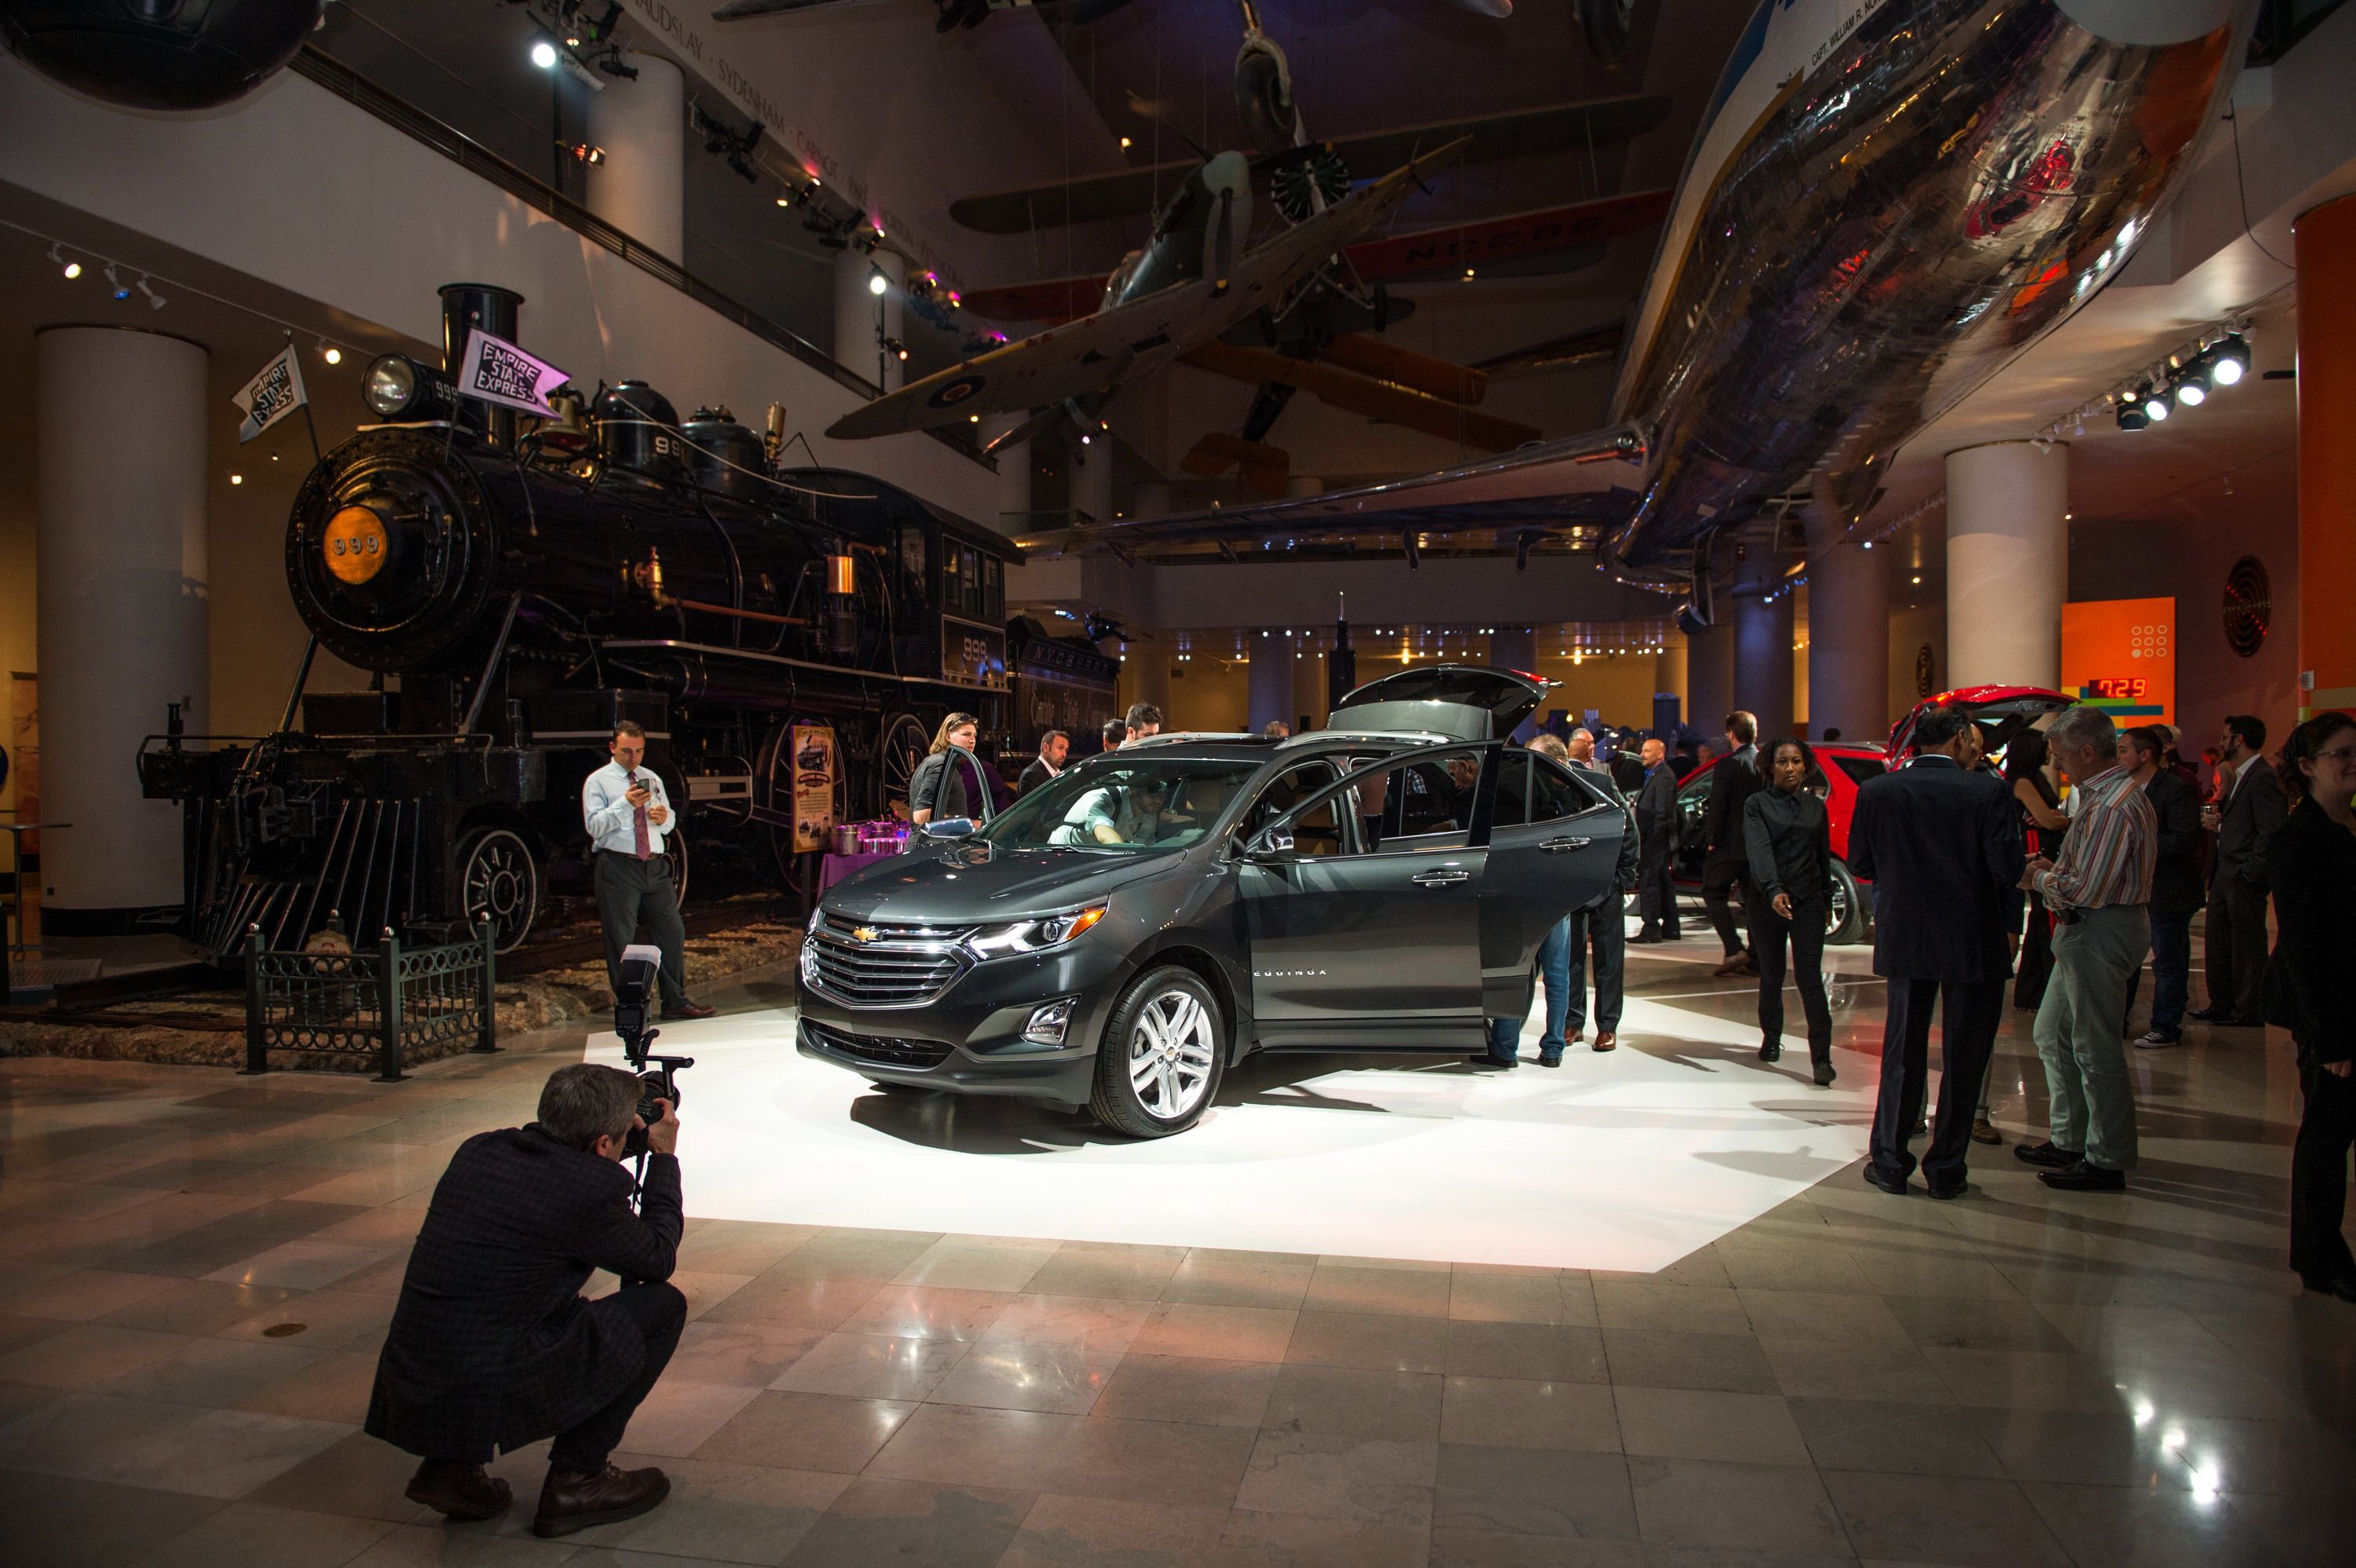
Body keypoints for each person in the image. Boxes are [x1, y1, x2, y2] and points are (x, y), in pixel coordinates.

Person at [367, 1064, 685, 1539]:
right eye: (622, 1137)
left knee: (495, 1308)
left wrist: (615, 1147)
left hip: (416, 1366)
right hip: (490, 1372)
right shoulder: (587, 1189)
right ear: (603, 1145)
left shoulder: (480, 1149)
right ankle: (579, 1478)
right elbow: (655, 1259)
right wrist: (661, 1158)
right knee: (662, 1307)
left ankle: (450, 1467)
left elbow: (546, 1195)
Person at [1848, 704, 2024, 1198]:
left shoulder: (1877, 791)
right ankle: (1946, 1169)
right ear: (1955, 741)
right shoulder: (1989, 790)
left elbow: (1862, 862)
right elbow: (2005, 868)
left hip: (1907, 934)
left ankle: (1889, 1162)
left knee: (1902, 1052)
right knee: (1965, 1055)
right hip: (1973, 935)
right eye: (1972, 738)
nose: (1977, 746)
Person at [2017, 704, 2157, 1193]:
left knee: (2094, 1047)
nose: (2058, 766)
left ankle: (2107, 1157)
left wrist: (2040, 876)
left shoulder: (2113, 805)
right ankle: (2071, 1139)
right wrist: (2054, 872)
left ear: (2088, 751)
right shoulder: (2103, 798)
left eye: (2061, 756)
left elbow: (2086, 890)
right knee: (2052, 1032)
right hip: (2088, 928)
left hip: (2101, 927)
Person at [2267, 713, 2356, 1303]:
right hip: (2332, 1007)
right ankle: (2319, 1255)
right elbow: (2302, 944)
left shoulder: (2347, 825)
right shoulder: (2299, 837)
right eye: (2340, 754)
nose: (2351, 763)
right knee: (2326, 1135)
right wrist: (2330, 1039)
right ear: (2308, 765)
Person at [581, 723, 713, 1022]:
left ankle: (674, 1000)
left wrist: (665, 818)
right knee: (622, 941)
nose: (633, 757)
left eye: (639, 751)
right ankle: (632, 1007)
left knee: (671, 931)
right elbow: (594, 827)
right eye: (627, 751)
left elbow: (669, 823)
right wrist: (625, 804)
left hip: (654, 866)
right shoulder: (598, 781)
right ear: (613, 747)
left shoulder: (650, 777)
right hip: (619, 865)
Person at [1477, 735, 1577, 1069]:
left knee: (1515, 971)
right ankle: (1553, 1049)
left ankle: (1505, 1049)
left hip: (1520, 895)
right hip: (1557, 894)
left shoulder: (1511, 794)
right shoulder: (1573, 798)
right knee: (1557, 975)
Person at [1743, 738, 1837, 1085]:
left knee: (1810, 977)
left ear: (1805, 765)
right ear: (1770, 767)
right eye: (1782, 762)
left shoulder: (1816, 807)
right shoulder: (1757, 805)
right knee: (1771, 974)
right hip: (1767, 901)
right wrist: (1773, 889)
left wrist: (1826, 899)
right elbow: (1759, 849)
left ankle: (1822, 1059)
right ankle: (1771, 1037)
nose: (1790, 768)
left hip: (1808, 900)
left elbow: (1822, 856)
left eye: (1796, 761)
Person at [2193, 714, 2284, 1027]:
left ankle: (2247, 1008)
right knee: (2220, 941)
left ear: (2239, 739)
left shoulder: (2261, 776)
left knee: (2245, 944)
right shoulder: (2244, 775)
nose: (2221, 741)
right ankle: (2223, 1003)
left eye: (2225, 736)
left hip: (2240, 874)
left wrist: (2251, 872)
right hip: (2227, 871)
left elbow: (2270, 831)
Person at [2119, 726, 2202, 1047]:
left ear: (2145, 754)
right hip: (2133, 888)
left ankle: (2166, 1027)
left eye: (2124, 749)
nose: (2119, 756)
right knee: (2127, 958)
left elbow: (2184, 839)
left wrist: (2135, 842)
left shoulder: (2176, 790)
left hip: (2169, 889)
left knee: (2167, 960)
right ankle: (2118, 1020)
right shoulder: (2124, 788)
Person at [1560, 733, 1638, 1053]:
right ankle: (1573, 1023)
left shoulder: (1601, 784)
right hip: (1570, 887)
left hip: (1607, 885)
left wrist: (1623, 875)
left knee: (1609, 961)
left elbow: (1628, 827)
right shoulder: (1551, 790)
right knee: (1571, 960)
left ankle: (1607, 1026)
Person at [2006, 729, 2072, 1014]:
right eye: (2046, 747)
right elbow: (2046, 819)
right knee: (2043, 922)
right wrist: (2066, 819)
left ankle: (2033, 992)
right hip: (2038, 853)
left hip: (2046, 850)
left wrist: (2057, 819)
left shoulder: (2035, 779)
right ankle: (2037, 991)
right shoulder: (2022, 781)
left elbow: (2049, 817)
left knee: (2041, 922)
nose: (2050, 752)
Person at [1700, 712, 1763, 977]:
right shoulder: (1764, 763)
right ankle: (1756, 959)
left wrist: (1712, 839)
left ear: (1731, 734)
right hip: (1758, 844)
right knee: (1754, 902)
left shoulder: (1728, 765)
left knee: (1713, 892)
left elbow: (1719, 806)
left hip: (1729, 844)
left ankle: (1734, 948)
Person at [1631, 737, 1681, 944]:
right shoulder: (1657, 775)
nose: (1642, 755)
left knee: (1649, 882)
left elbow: (1663, 813)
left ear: (1660, 754)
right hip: (1655, 839)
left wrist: (1654, 839)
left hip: (1654, 840)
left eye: (1647, 751)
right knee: (1662, 883)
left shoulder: (1663, 777)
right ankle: (1671, 927)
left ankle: (1651, 928)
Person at [908, 713, 985, 827]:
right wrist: (969, 824)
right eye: (966, 734)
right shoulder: (940, 764)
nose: (973, 740)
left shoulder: (945, 764)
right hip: (934, 844)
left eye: (974, 735)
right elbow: (921, 816)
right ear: (948, 736)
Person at [1016, 729, 1070, 796]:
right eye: (1060, 748)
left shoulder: (1061, 774)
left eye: (1066, 750)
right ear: (1046, 748)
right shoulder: (1031, 776)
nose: (1064, 754)